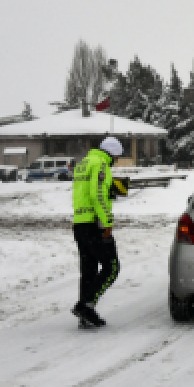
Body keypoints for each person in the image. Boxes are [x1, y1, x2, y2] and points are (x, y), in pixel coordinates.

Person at [71, 137, 124, 328]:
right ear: (112, 153)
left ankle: (86, 313)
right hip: (95, 224)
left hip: (80, 223)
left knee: (89, 270)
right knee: (111, 268)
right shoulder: (101, 164)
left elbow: (85, 193)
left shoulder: (83, 163)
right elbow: (97, 194)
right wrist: (107, 222)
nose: (116, 161)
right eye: (116, 157)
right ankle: (85, 306)